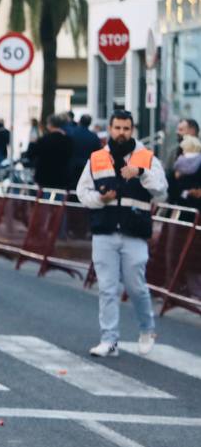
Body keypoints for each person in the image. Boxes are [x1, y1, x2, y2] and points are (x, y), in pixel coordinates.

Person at [74, 110, 166, 358]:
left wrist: (142, 173)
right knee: (107, 287)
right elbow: (82, 193)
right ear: (110, 129)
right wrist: (100, 198)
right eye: (117, 128)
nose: (121, 132)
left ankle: (147, 329)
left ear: (132, 130)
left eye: (126, 128)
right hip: (104, 229)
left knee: (136, 286)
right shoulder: (96, 158)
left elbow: (162, 191)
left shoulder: (146, 158)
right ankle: (109, 339)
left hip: (134, 231)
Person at [27, 114, 75, 191]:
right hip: (62, 177)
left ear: (50, 125)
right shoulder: (68, 140)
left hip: (45, 177)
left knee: (45, 201)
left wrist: (32, 143)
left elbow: (30, 155)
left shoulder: (44, 140)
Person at [169, 135, 201, 211]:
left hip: (181, 204)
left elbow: (171, 187)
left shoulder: (178, 165)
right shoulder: (178, 166)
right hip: (188, 205)